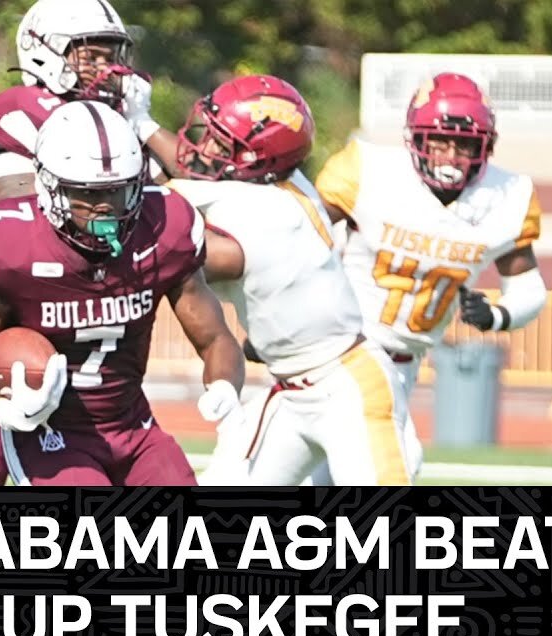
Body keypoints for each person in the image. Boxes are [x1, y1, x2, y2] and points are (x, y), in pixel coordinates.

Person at [0, 0, 176, 489]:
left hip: (68, 320)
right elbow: (20, 213)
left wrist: (143, 124)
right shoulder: (21, 108)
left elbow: (181, 198)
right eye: (92, 55)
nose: (108, 69)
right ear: (43, 52)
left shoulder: (110, 124)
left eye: (113, 55)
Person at [0, 100, 244, 488]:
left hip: (133, 426)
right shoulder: (11, 245)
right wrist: (0, 410)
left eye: (118, 192)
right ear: (47, 184)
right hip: (51, 435)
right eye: (86, 194)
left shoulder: (166, 227)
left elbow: (215, 337)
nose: (105, 209)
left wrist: (226, 386)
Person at [169, 75, 415, 489]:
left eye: (221, 140)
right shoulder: (279, 185)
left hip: (348, 386)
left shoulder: (265, 213)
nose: (206, 148)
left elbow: (175, 251)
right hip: (291, 390)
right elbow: (179, 183)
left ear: (256, 157)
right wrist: (137, 128)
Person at [314, 72, 548, 473]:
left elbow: (528, 287)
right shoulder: (367, 172)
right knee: (395, 465)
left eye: (464, 143)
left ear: (485, 145)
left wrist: (497, 314)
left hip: (404, 364)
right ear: (415, 138)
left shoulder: (506, 197)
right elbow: (302, 238)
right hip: (342, 349)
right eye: (440, 140)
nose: (451, 154)